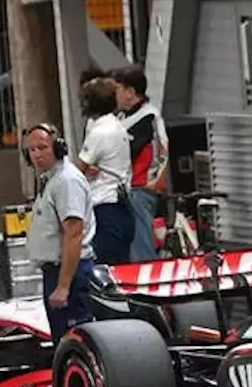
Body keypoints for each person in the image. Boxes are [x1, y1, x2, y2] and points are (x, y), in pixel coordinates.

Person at [23, 124, 96, 342]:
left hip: (69, 274)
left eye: (42, 147)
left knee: (74, 343)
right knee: (62, 343)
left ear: (58, 148)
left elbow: (73, 233)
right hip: (57, 272)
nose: (37, 154)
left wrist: (63, 286)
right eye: (32, 149)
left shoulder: (66, 181)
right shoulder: (51, 181)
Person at [112, 65, 168, 262]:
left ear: (130, 92)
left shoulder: (147, 117)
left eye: (117, 89)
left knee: (141, 248)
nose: (114, 95)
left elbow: (125, 152)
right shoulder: (123, 117)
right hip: (129, 189)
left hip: (141, 189)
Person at [75, 77, 133, 265]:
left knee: (106, 272)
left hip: (106, 211)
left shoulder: (100, 133)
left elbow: (77, 171)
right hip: (120, 208)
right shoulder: (115, 126)